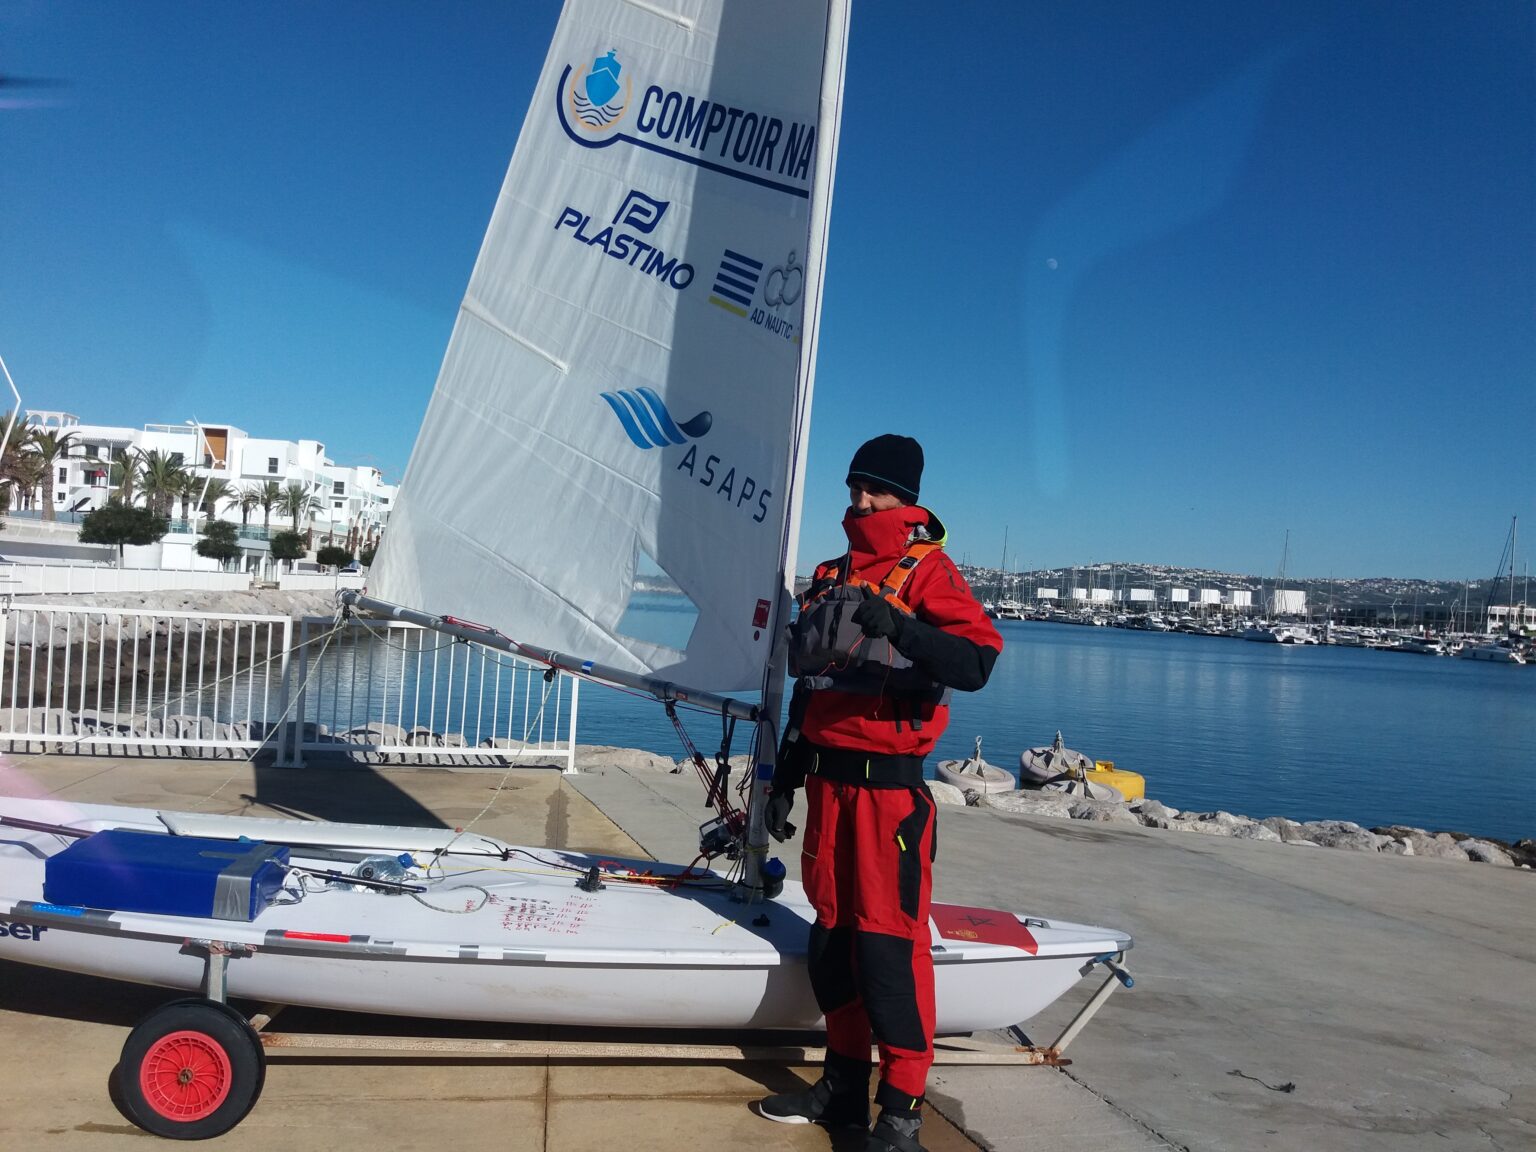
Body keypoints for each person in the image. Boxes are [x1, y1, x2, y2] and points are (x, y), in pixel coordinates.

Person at [754, 434, 1004, 1152]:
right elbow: (814, 688)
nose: (861, 501)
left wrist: (905, 628)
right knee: (832, 943)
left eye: (876, 490)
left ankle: (899, 1113)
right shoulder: (830, 574)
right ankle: (841, 1088)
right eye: (855, 488)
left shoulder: (929, 572)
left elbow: (977, 662)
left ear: (907, 498)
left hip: (890, 803)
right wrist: (787, 778)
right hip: (827, 791)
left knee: (889, 951)